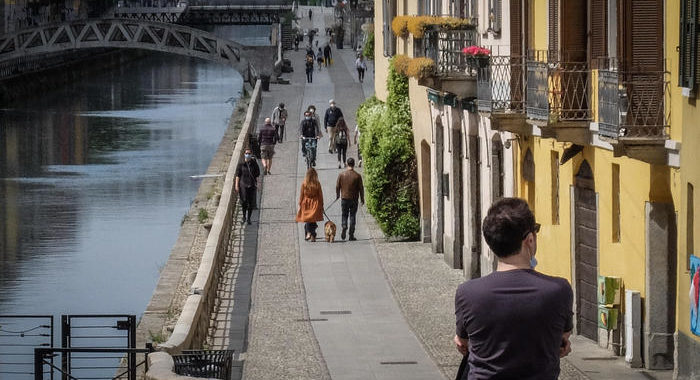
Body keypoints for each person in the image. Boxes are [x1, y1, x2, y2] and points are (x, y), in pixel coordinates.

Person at [454, 197, 573, 380]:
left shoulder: (468, 293)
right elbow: (562, 340)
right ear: (530, 240)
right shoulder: (559, 290)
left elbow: (462, 342)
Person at [335, 158, 364, 241]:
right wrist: (362, 199)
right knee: (352, 215)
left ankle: (344, 225)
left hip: (344, 198)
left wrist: (337, 195)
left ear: (347, 164)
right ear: (354, 164)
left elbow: (337, 186)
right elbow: (361, 188)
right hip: (354, 199)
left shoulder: (341, 174)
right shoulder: (357, 176)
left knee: (344, 214)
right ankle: (351, 234)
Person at [296, 168, 324, 242]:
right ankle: (312, 235)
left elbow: (301, 194)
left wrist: (300, 203)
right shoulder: (317, 183)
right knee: (312, 219)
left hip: (306, 202)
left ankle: (309, 233)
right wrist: (321, 204)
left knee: (308, 219)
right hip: (315, 202)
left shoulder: (304, 183)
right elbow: (320, 195)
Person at [234, 148, 260, 225]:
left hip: (251, 185)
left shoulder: (254, 163)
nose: (247, 155)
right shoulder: (241, 164)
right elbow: (238, 176)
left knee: (250, 203)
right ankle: (244, 217)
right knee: (244, 201)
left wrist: (258, 184)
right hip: (243, 185)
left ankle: (249, 218)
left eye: (249, 153)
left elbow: (257, 174)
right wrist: (236, 185)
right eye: (246, 153)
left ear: (251, 154)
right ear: (244, 154)